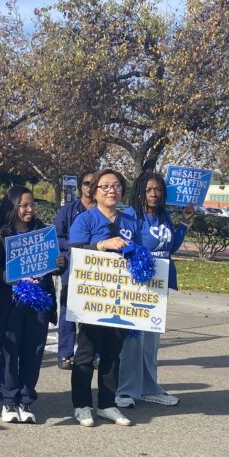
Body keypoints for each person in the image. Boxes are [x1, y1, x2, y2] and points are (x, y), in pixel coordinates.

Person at [66, 168, 138, 428]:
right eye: (105, 186)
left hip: (120, 297)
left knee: (113, 353)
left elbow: (139, 253)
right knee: (85, 352)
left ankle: (108, 403)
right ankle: (82, 404)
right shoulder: (85, 220)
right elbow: (74, 252)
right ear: (94, 191)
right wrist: (101, 246)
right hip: (91, 298)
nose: (111, 190)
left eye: (116, 185)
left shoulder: (129, 221)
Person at [116, 172, 194, 409]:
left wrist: (185, 223)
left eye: (158, 190)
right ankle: (125, 390)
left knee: (150, 342)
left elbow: (171, 247)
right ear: (140, 191)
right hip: (136, 285)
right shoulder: (129, 217)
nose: (153, 194)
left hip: (159, 287)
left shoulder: (164, 216)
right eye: (148, 189)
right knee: (133, 340)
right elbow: (124, 248)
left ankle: (149, 388)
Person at [0, 186, 60, 423]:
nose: (30, 209)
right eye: (24, 205)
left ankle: (26, 400)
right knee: (10, 349)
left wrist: (60, 261)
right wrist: (14, 277)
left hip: (39, 301)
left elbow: (54, 266)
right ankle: (8, 401)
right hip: (10, 301)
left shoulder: (43, 232)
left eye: (33, 204)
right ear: (12, 207)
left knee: (33, 350)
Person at [53, 170, 97, 370]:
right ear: (81, 186)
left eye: (95, 183)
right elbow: (56, 237)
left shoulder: (105, 211)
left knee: (93, 314)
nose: (91, 187)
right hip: (72, 267)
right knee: (68, 313)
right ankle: (65, 353)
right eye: (87, 183)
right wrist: (78, 245)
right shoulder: (68, 210)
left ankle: (93, 353)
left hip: (98, 271)